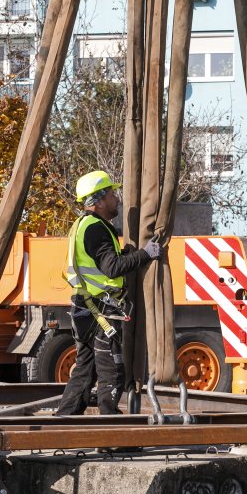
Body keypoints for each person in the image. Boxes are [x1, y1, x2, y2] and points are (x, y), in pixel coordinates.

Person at [55, 170, 161, 415]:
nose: (117, 199)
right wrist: (146, 253)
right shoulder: (96, 229)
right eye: (112, 194)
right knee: (111, 371)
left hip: (86, 308)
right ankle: (109, 428)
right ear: (99, 201)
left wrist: (127, 256)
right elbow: (111, 268)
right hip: (99, 310)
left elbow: (101, 263)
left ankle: (63, 423)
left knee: (85, 371)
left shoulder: (84, 225)